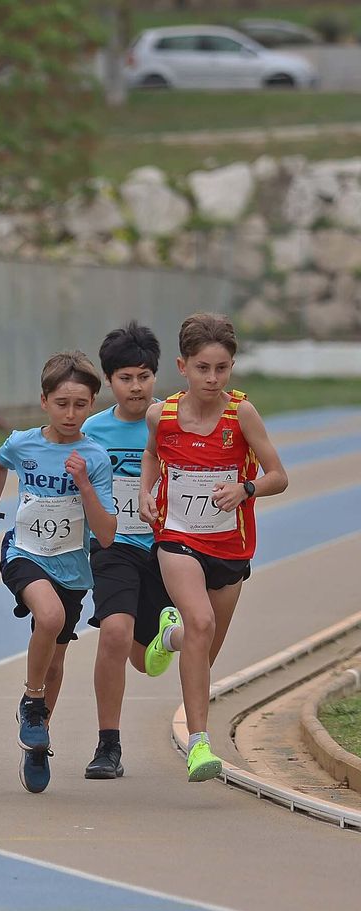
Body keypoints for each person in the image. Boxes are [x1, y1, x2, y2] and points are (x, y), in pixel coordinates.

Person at [140, 313, 287, 782]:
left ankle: (170, 636)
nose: (212, 378)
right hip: (177, 538)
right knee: (200, 621)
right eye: (203, 368)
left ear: (232, 367)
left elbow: (278, 477)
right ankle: (200, 744)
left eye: (221, 368)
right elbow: (152, 454)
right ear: (182, 366)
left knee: (204, 646)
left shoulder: (241, 414)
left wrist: (246, 489)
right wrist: (147, 492)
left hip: (230, 545)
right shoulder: (160, 414)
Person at [0, 352, 115, 794]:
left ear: (92, 404)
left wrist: (85, 485)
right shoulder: (23, 443)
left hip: (71, 565)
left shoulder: (94, 457)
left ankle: (36, 746)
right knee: (49, 618)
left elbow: (108, 535)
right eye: (62, 403)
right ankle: (31, 703)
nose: (71, 413)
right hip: (25, 553)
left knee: (56, 660)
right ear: (44, 402)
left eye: (80, 404)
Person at [81, 321, 176, 781]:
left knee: (144, 660)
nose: (135, 386)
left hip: (167, 548)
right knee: (114, 633)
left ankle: (168, 637)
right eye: (125, 378)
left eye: (144, 376)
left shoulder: (172, 422)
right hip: (114, 546)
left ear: (155, 376)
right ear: (110, 381)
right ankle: (108, 746)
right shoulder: (92, 430)